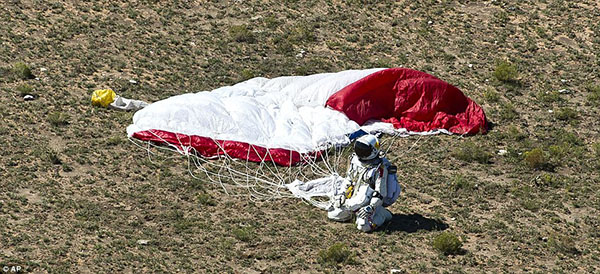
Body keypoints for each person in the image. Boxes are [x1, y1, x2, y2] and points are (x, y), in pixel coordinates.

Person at [327, 134, 401, 232]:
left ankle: (382, 214)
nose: (360, 153)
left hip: (370, 201)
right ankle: (354, 212)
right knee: (333, 214)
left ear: (373, 151)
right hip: (354, 197)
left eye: (364, 150)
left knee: (363, 226)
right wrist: (342, 194)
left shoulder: (379, 168)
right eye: (359, 149)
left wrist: (371, 207)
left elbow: (380, 193)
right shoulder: (354, 160)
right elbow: (349, 179)